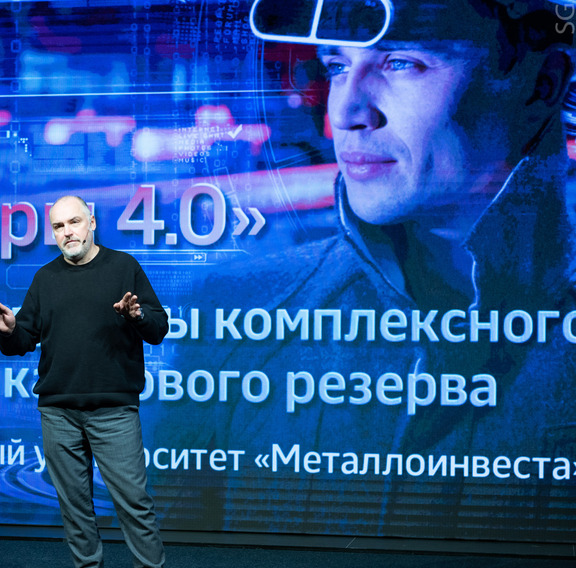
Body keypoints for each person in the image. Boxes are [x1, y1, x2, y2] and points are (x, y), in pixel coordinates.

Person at [159, 0, 575, 537]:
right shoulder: (234, 314)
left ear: (542, 85)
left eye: (401, 63)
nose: (347, 111)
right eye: (337, 66)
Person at [0, 194, 198, 568]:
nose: (67, 232)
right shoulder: (45, 278)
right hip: (58, 411)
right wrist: (8, 330)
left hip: (113, 410)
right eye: (59, 226)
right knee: (75, 506)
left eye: (74, 222)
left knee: (134, 504)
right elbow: (22, 339)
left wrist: (136, 315)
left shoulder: (123, 267)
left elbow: (159, 327)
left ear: (92, 223)